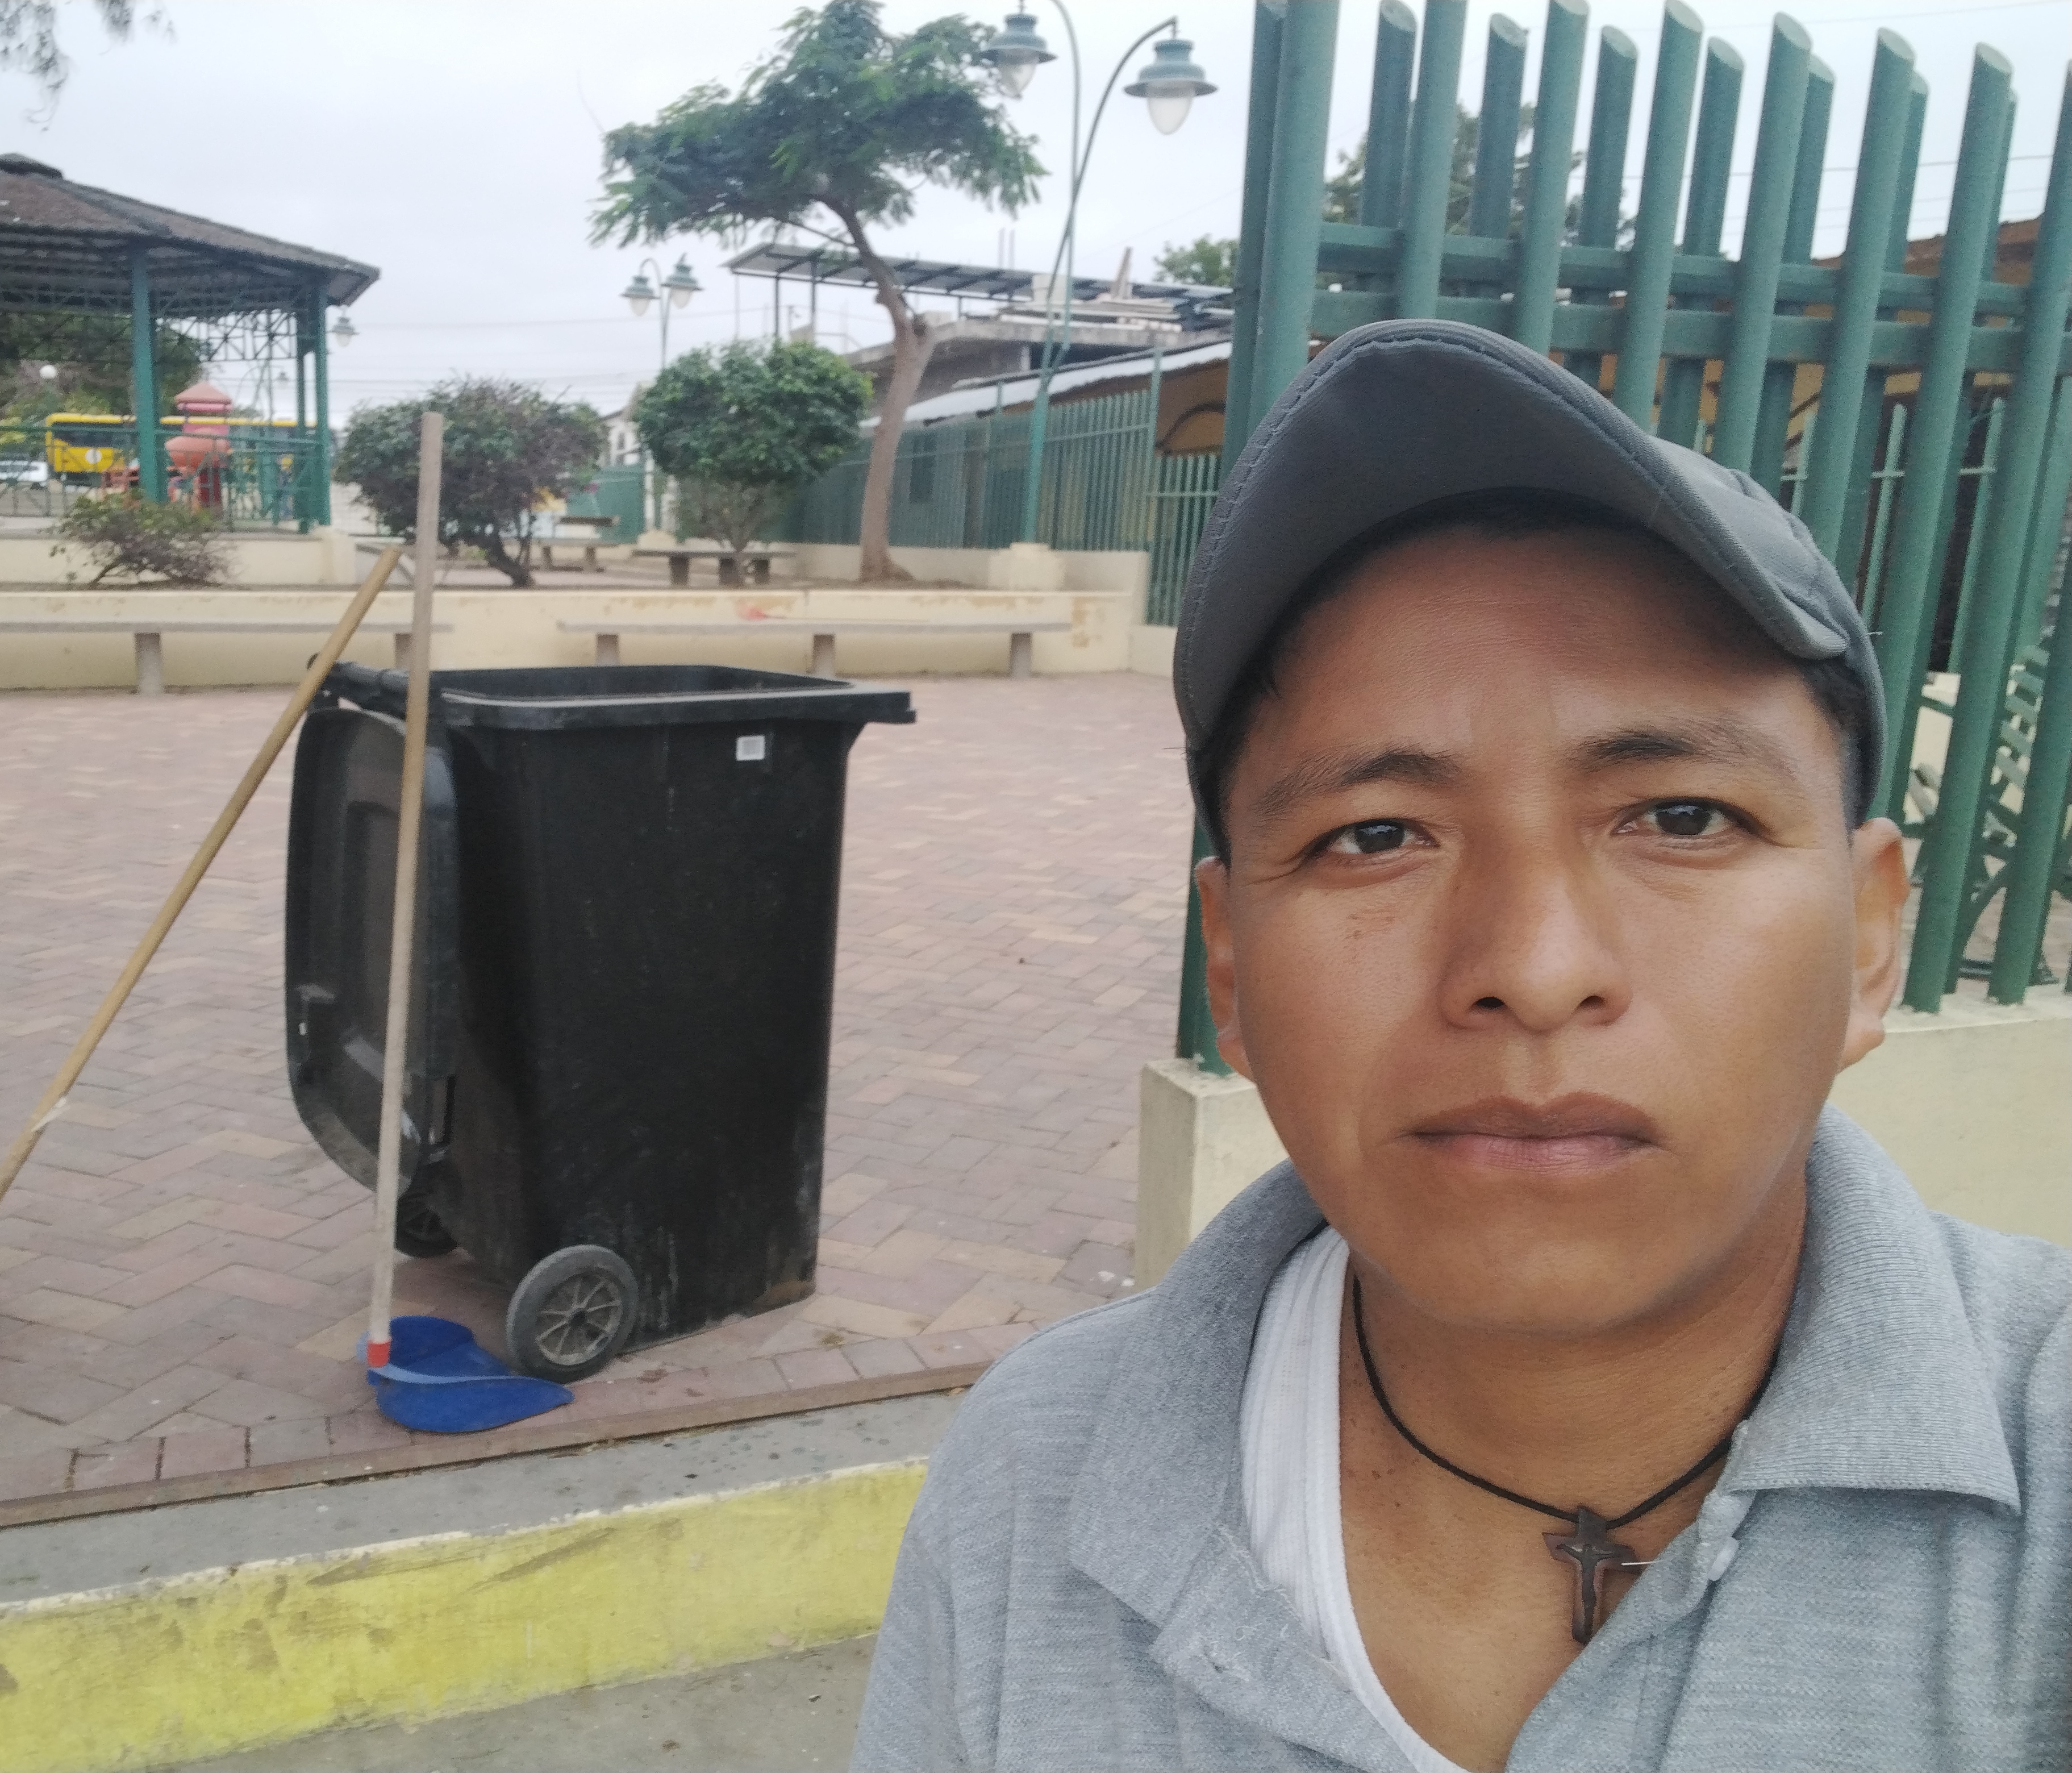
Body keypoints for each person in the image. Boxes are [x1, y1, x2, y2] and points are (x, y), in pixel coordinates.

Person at [852, 320, 2067, 1773]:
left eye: (1681, 818)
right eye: (1375, 836)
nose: (1533, 972)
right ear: (1229, 969)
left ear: (1867, 942)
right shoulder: (1030, 1477)